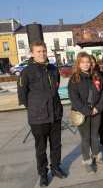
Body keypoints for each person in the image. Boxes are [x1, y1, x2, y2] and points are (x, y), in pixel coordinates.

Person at [17, 40, 67, 187]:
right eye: (38, 51)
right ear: (31, 54)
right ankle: (43, 173)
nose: (42, 54)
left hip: (55, 114)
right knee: (41, 147)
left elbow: (56, 88)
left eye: (44, 51)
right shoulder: (26, 72)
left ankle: (56, 168)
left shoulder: (53, 69)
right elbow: (23, 95)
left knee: (56, 144)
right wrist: (35, 107)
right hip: (38, 117)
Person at [68, 52, 103, 175]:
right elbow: (74, 99)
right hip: (82, 113)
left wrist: (98, 107)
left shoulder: (97, 76)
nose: (86, 64)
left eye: (88, 62)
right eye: (83, 62)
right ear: (78, 64)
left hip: (96, 110)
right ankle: (87, 161)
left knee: (94, 135)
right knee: (85, 138)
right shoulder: (74, 80)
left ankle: (97, 156)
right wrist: (88, 111)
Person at [90, 55, 103, 150]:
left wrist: (100, 104)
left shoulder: (100, 74)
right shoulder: (84, 75)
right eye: (90, 62)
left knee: (102, 124)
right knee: (91, 128)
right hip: (89, 106)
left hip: (99, 104)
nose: (91, 64)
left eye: (93, 62)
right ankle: (93, 145)